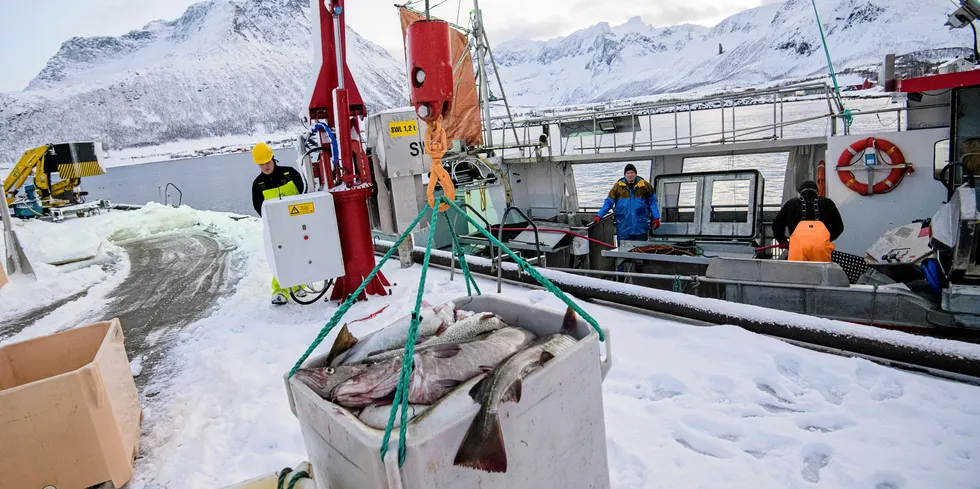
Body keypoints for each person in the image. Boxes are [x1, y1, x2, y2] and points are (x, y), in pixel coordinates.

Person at [251, 142, 308, 305]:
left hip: (297, 223)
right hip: (276, 228)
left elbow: (305, 192)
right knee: (279, 258)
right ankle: (280, 290)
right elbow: (258, 206)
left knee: (299, 254)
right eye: (261, 165)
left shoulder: (290, 173)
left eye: (267, 163)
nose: (265, 167)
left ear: (273, 159)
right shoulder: (258, 184)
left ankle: (298, 285)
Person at [772, 180, 844, 262]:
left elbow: (777, 226)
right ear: (817, 191)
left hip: (797, 248)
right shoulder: (828, 203)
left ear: (800, 192)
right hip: (821, 249)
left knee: (797, 272)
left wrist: (783, 241)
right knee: (822, 273)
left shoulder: (791, 203)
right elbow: (839, 227)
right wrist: (826, 239)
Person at [592, 163, 661, 241]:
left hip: (640, 226)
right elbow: (609, 202)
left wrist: (656, 217)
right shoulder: (618, 187)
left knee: (640, 250)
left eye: (632, 173)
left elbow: (652, 202)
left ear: (636, 174)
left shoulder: (645, 186)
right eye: (628, 173)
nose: (630, 175)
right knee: (623, 250)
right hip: (623, 227)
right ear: (625, 175)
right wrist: (599, 215)